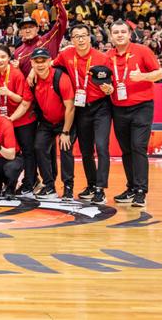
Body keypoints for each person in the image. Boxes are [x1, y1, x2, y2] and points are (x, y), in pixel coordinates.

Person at [104, 20, 162, 207]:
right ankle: (131, 187)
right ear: (111, 36)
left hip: (141, 107)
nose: (120, 35)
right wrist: (107, 88)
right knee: (126, 150)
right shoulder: (108, 56)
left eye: (123, 31)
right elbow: (107, 81)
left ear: (129, 34)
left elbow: (160, 73)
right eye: (116, 32)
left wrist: (142, 76)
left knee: (138, 146)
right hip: (118, 108)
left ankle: (140, 191)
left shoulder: (142, 51)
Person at [51, 23, 112, 203]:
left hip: (101, 107)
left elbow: (112, 83)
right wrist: (32, 72)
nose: (81, 39)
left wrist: (110, 89)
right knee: (86, 150)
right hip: (81, 108)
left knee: (101, 146)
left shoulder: (102, 58)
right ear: (72, 40)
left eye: (84, 35)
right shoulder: (66, 55)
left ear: (89, 37)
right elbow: (49, 66)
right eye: (77, 36)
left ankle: (100, 189)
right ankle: (91, 185)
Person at [28, 48, 75, 200]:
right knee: (39, 147)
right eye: (37, 61)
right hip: (47, 121)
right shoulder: (33, 80)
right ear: (32, 63)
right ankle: (49, 186)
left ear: (50, 61)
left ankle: (68, 187)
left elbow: (70, 107)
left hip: (65, 121)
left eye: (43, 61)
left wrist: (66, 132)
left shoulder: (61, 78)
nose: (40, 64)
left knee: (65, 149)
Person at [0, 45, 37, 196]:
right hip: (5, 120)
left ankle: (29, 183)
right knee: (9, 152)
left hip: (22, 119)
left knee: (28, 151)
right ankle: (7, 183)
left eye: (3, 57)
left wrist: (9, 94)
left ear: (9, 58)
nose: (0, 60)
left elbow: (23, 100)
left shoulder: (16, 74)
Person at [13, 0, 68, 76]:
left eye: (31, 27)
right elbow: (19, 78)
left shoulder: (49, 39)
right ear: (20, 32)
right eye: (24, 28)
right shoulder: (17, 52)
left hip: (51, 83)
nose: (28, 30)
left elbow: (62, 20)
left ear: (37, 29)